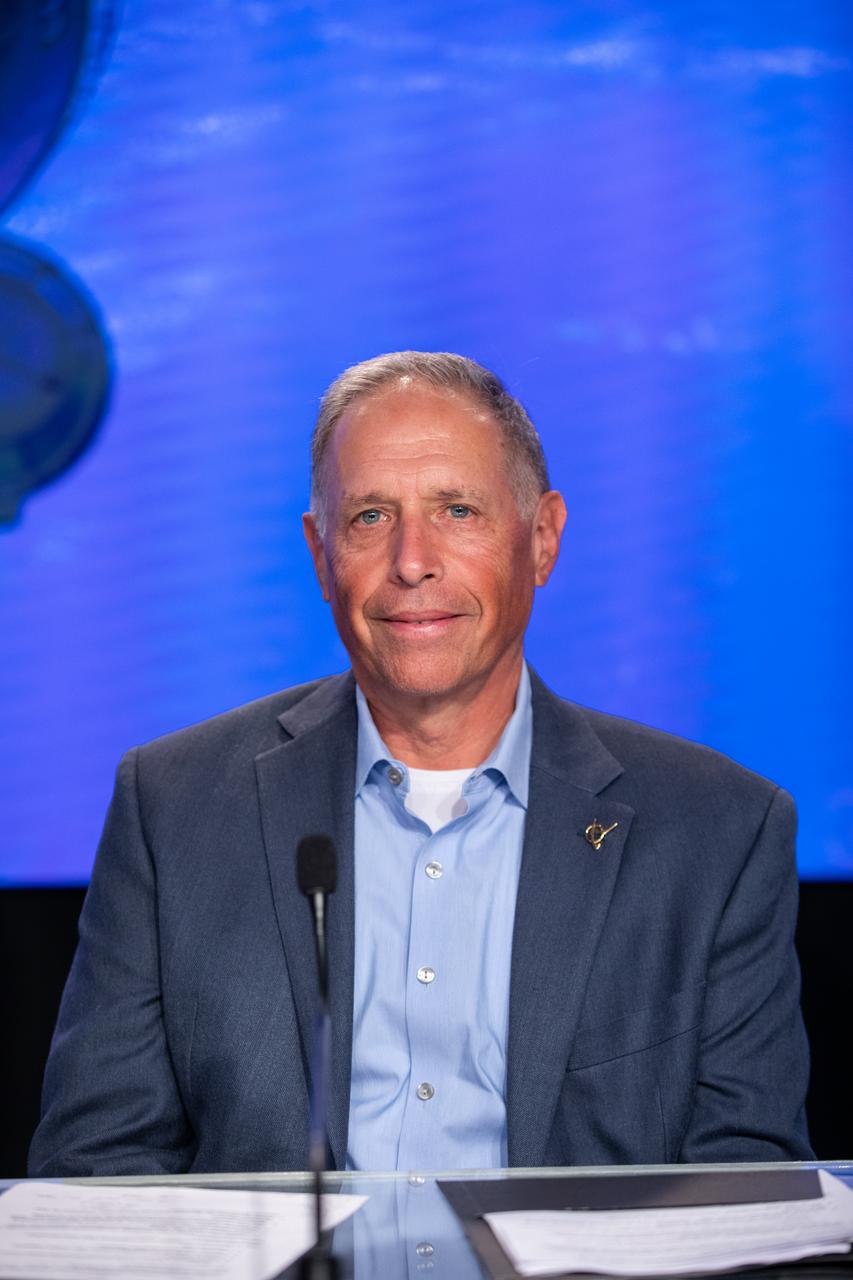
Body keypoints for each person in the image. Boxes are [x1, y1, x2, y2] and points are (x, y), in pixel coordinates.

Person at [30, 351, 812, 1176]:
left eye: (457, 510)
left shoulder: (719, 830)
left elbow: (744, 1188)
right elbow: (97, 1167)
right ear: (319, 551)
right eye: (370, 516)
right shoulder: (173, 806)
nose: (411, 561)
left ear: (541, 540)